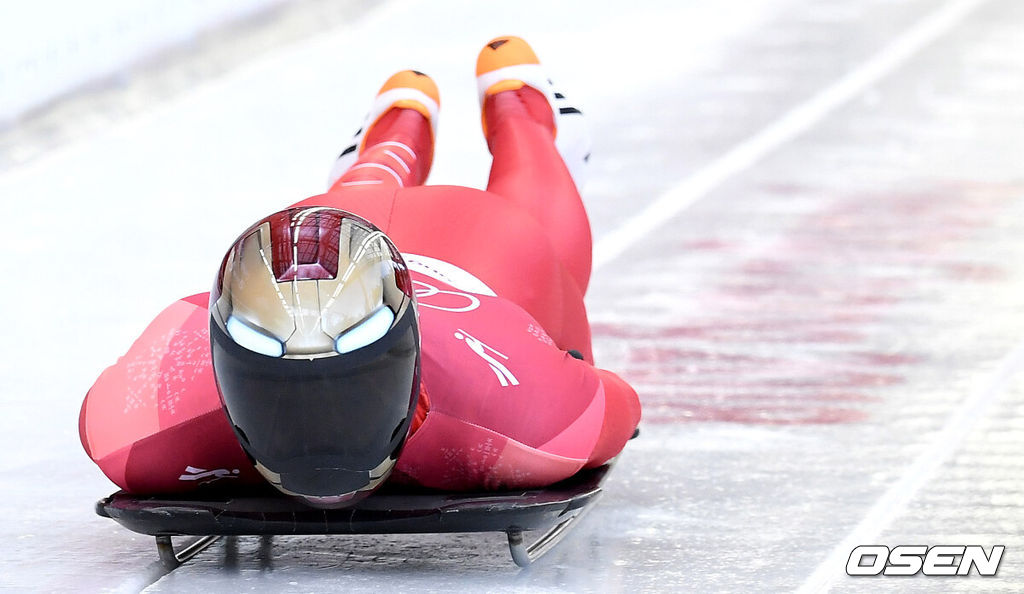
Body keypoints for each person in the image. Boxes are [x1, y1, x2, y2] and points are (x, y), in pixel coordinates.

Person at [79, 36, 641, 507]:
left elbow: (606, 405)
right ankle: (422, 124)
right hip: (418, 243)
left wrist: (560, 366)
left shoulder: (140, 430)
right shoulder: (528, 422)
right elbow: (615, 404)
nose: (319, 435)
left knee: (529, 225)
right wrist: (574, 375)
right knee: (391, 197)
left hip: (485, 245)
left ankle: (511, 116)